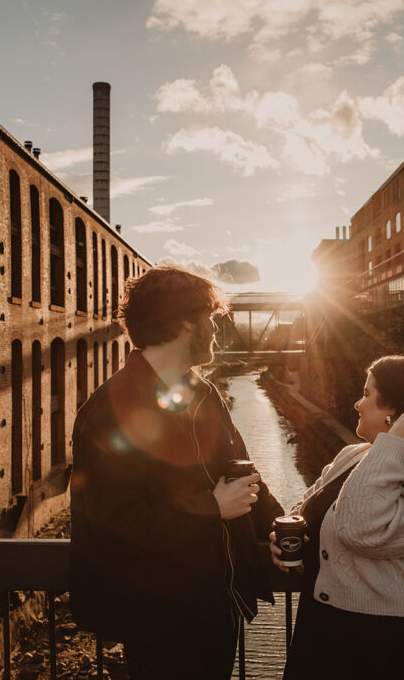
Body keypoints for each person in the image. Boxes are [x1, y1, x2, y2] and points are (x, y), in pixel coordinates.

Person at [69, 266, 284, 680]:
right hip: (159, 620)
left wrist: (284, 527)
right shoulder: (110, 412)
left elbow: (242, 472)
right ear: (186, 321)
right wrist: (211, 509)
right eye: (211, 317)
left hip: (215, 607)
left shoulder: (203, 393)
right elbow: (117, 522)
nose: (216, 330)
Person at [272, 355, 404, 679]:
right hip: (330, 634)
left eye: (367, 394)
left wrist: (394, 446)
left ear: (394, 412)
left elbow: (359, 530)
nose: (357, 404)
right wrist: (286, 540)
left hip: (398, 648)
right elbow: (305, 511)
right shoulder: (354, 457)